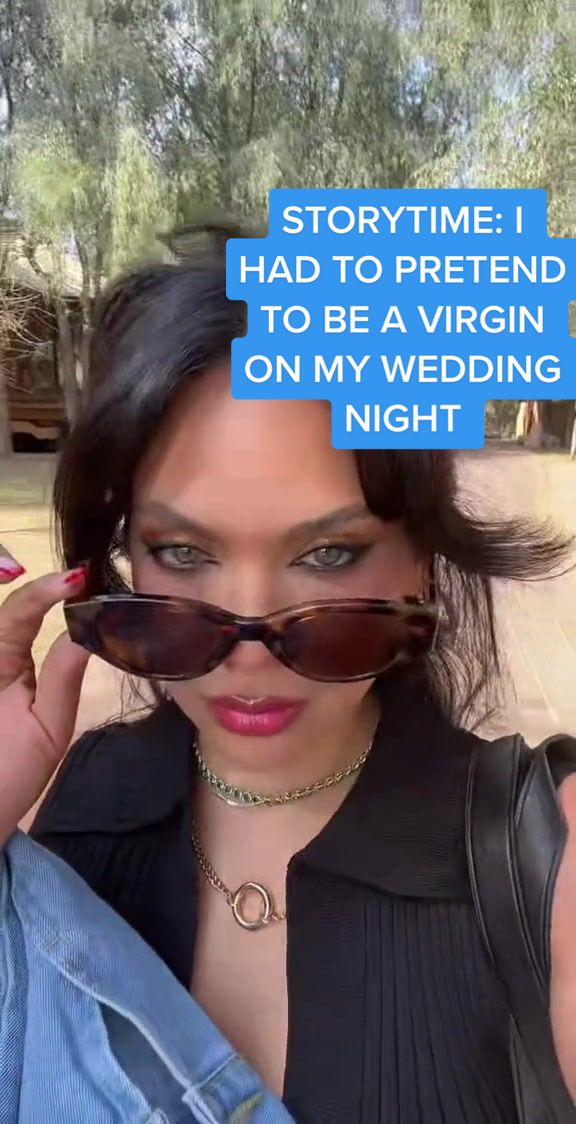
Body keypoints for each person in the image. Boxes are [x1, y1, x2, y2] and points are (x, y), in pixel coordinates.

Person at [2, 226, 576, 1123]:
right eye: (181, 551)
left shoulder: (545, 855)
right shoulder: (82, 794)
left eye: (330, 553)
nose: (249, 646)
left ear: (422, 560)